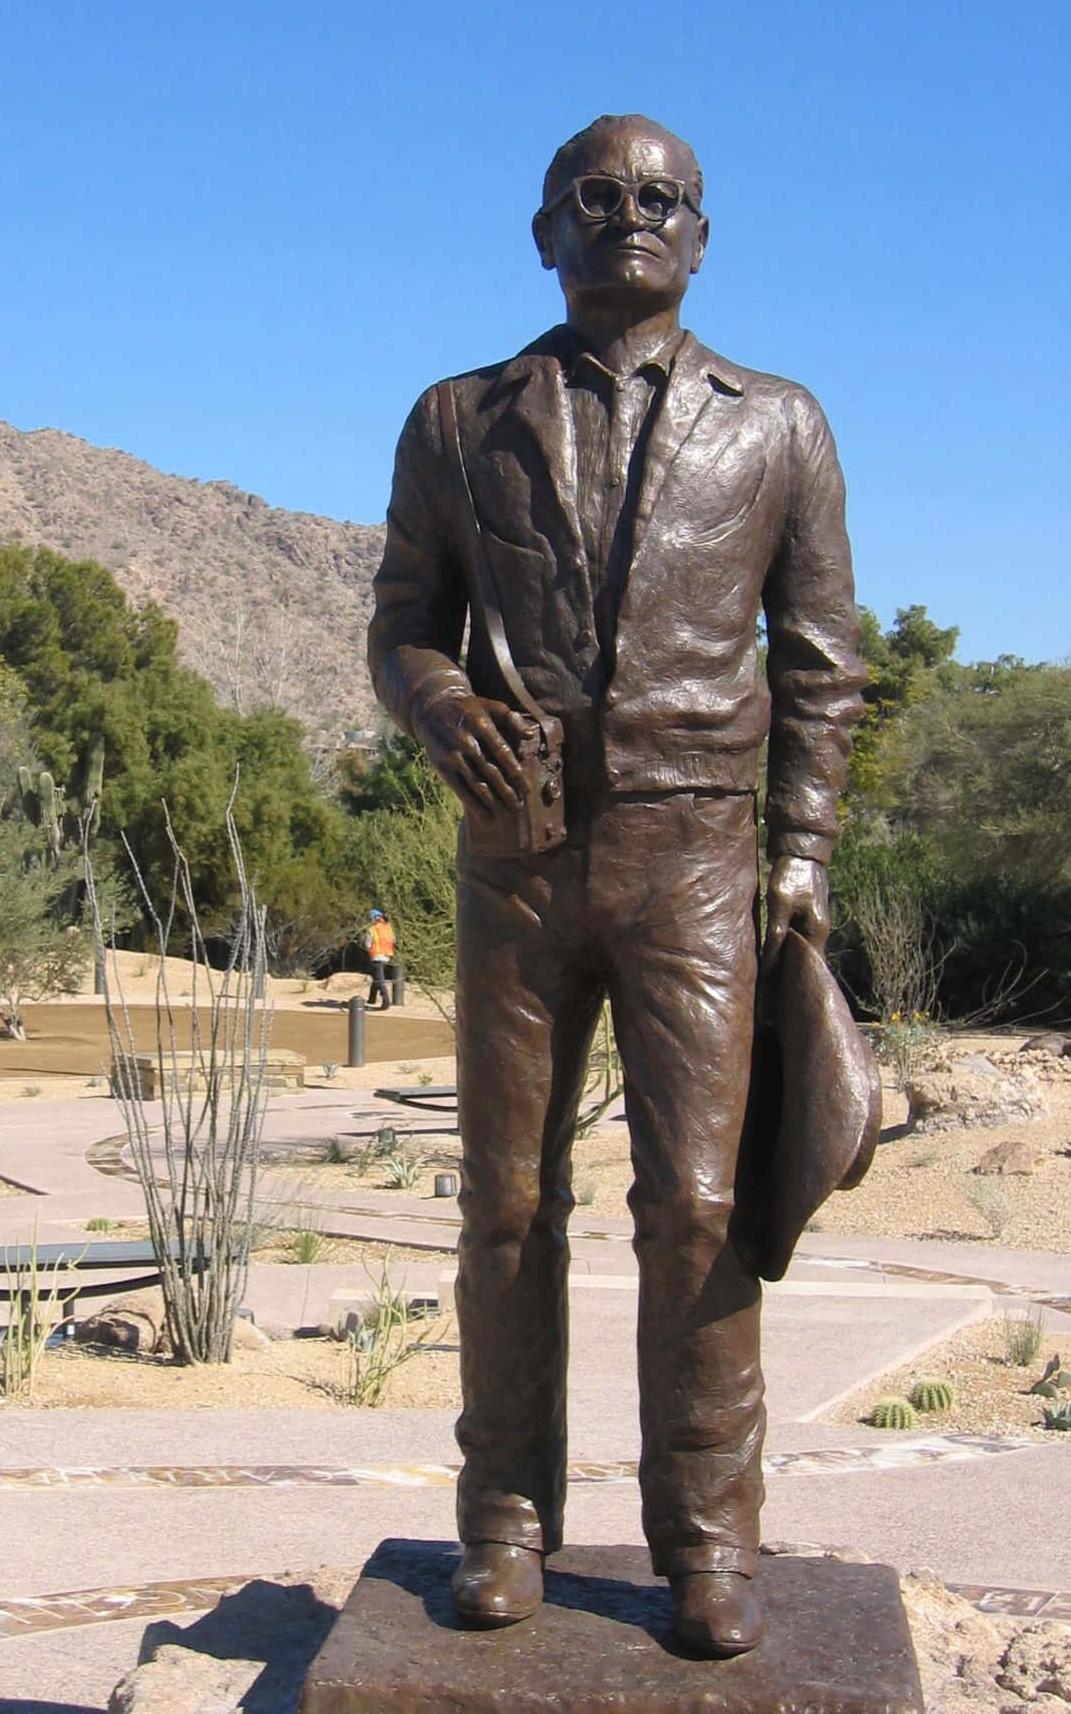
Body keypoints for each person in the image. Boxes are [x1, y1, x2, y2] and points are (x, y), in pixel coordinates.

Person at [368, 115, 864, 1655]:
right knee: (507, 1204)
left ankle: (707, 1540)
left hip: (700, 859)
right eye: (593, 199)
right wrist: (444, 709)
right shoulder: (457, 419)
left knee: (699, 1211)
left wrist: (798, 855)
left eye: (659, 200)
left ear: (701, 237)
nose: (625, 218)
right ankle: (504, 1520)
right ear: (543, 236)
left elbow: (826, 663)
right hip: (516, 863)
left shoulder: (777, 423)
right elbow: (403, 624)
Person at [364, 908, 396, 1008]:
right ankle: (371, 999)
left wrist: (370, 950)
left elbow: (367, 944)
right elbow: (394, 940)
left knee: (380, 980)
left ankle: (386, 1001)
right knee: (377, 977)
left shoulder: (372, 929)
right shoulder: (389, 928)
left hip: (377, 957)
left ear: (373, 918)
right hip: (387, 956)